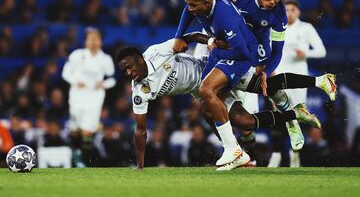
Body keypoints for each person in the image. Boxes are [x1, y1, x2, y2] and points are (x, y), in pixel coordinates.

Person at [115, 33, 331, 171]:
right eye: (124, 70)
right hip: (203, 91)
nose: (128, 72)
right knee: (245, 122)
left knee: (264, 86)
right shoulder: (140, 91)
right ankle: (296, 114)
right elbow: (140, 130)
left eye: (129, 66)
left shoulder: (156, 52)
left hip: (213, 69)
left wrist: (210, 42)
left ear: (140, 59)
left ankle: (321, 80)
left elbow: (187, 37)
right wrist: (141, 167)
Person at [172, 0, 261, 168]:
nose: (190, 9)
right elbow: (187, 12)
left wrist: (213, 47)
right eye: (188, 3)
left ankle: (234, 150)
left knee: (206, 90)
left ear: (207, 2)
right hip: (223, 52)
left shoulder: (224, 17)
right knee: (207, 109)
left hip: (243, 57)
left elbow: (242, 52)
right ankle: (239, 154)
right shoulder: (203, 3)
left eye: (193, 5)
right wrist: (179, 35)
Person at [268, 0, 327, 167]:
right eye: (286, 10)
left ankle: (295, 154)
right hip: (279, 77)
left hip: (299, 78)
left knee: (297, 114)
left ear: (298, 12)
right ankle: (277, 154)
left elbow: (321, 51)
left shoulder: (306, 28)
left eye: (292, 9)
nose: (289, 13)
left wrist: (305, 53)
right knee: (278, 115)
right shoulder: (277, 27)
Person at [62, 27, 115, 166]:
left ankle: (84, 160)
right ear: (85, 41)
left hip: (94, 99)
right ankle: (76, 155)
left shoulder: (106, 59)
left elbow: (112, 79)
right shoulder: (77, 55)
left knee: (88, 130)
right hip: (77, 97)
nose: (93, 41)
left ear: (101, 41)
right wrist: (75, 81)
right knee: (75, 129)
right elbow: (65, 72)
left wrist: (104, 84)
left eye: (96, 38)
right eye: (90, 38)